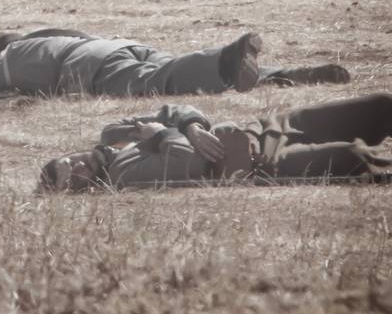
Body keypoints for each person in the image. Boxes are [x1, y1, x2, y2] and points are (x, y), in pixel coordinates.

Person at [38, 94, 392, 192]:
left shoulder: (114, 132)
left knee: (379, 106)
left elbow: (173, 109)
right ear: (81, 189)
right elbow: (188, 163)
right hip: (264, 163)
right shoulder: (124, 177)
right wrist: (161, 134)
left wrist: (190, 125)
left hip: (264, 127)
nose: (80, 165)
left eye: (69, 162)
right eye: (75, 178)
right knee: (360, 158)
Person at [0, 29, 350, 105]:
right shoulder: (57, 37)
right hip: (122, 46)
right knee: (168, 66)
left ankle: (225, 61)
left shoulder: (11, 57)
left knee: (161, 83)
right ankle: (283, 75)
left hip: (91, 67)